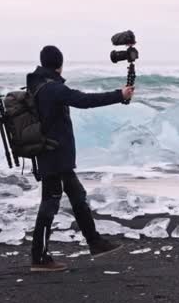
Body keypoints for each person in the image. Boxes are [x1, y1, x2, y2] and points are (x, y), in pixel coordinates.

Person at [26, 45, 134, 272]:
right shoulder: (52, 89)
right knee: (50, 205)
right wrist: (119, 95)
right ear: (59, 64)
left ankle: (95, 242)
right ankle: (39, 257)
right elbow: (83, 100)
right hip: (55, 156)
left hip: (52, 154)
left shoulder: (37, 86)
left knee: (77, 196)